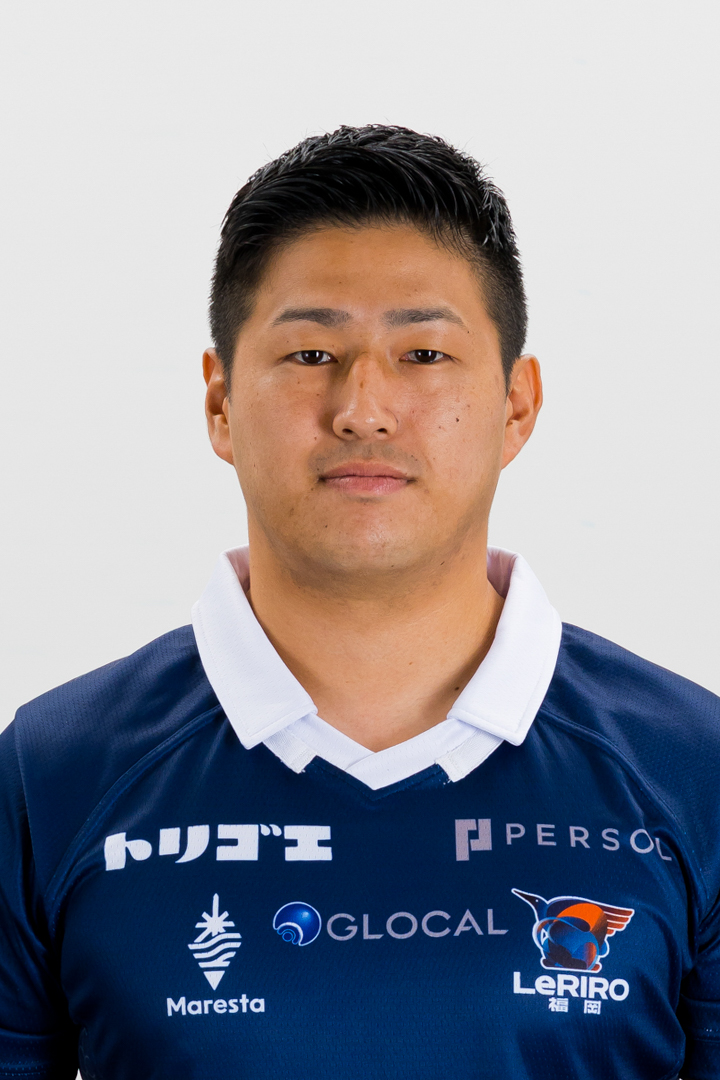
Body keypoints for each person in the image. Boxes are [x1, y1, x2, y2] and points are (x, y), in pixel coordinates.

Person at [0, 124, 717, 1080]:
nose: (363, 409)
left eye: (424, 354)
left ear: (517, 405)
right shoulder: (50, 775)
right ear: (219, 402)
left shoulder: (692, 770)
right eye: (309, 354)